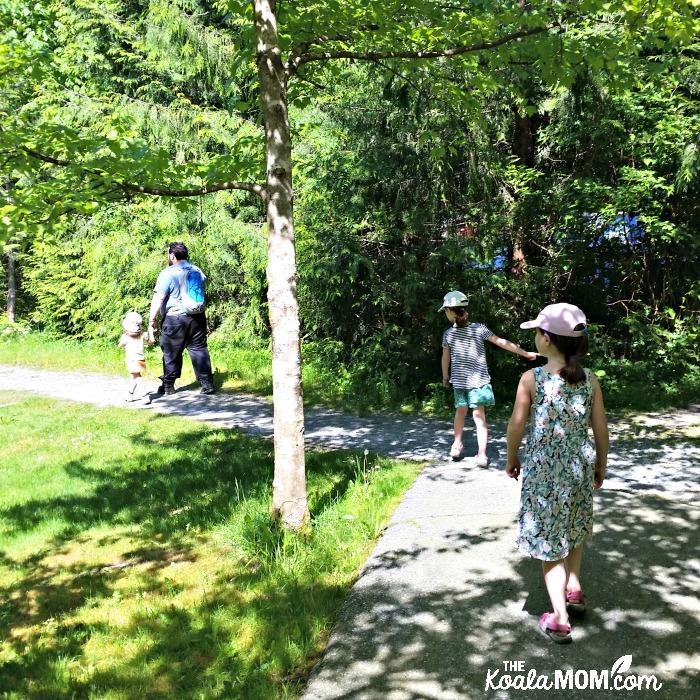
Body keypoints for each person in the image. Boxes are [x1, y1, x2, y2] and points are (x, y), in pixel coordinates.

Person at [505, 303, 609, 645]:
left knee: (551, 544)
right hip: (578, 472)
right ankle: (574, 590)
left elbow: (516, 426)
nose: (535, 337)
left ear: (547, 340)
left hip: (544, 476)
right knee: (574, 529)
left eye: (537, 332)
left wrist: (511, 458)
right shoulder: (589, 379)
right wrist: (600, 465)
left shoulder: (531, 379)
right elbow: (601, 430)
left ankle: (559, 620)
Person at [440, 290, 538, 464]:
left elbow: (445, 358)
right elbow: (501, 342)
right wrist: (525, 353)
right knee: (479, 417)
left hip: (460, 382)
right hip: (479, 382)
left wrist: (445, 377)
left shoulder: (448, 334)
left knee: (460, 413)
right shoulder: (479, 329)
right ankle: (482, 455)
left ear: (449, 310)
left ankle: (456, 445)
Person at [148, 242, 216, 395]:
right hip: (197, 316)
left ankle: (168, 387)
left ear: (172, 255)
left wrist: (152, 319)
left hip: (175, 318)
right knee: (199, 349)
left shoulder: (168, 273)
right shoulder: (197, 269)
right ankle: (207, 384)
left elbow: (159, 298)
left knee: (171, 352)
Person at [118, 311, 154, 406]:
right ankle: (130, 394)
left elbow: (120, 346)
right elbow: (151, 342)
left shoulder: (126, 337)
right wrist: (151, 332)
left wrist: (123, 341)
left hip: (131, 359)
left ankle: (144, 395)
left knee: (137, 376)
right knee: (134, 376)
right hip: (141, 358)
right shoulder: (143, 334)